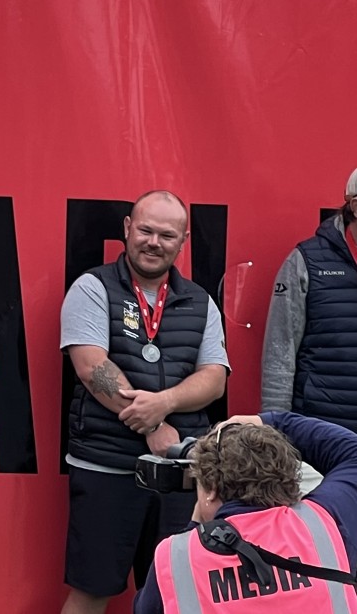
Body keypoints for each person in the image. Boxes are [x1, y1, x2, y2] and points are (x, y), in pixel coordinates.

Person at [60, 190, 231, 614]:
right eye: (146, 230)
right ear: (127, 229)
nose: (154, 242)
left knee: (177, 594)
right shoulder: (92, 287)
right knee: (91, 591)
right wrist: (153, 426)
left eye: (167, 235)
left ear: (183, 241)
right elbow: (90, 366)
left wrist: (165, 403)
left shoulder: (200, 301)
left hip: (180, 476)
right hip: (106, 467)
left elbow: (214, 379)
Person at [135, 413, 357, 613]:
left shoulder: (176, 556)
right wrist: (270, 421)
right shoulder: (324, 523)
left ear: (211, 488)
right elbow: (351, 452)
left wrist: (195, 525)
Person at [261, 168, 357, 433]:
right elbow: (280, 353)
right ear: (355, 206)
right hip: (323, 434)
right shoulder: (306, 261)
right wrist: (274, 431)